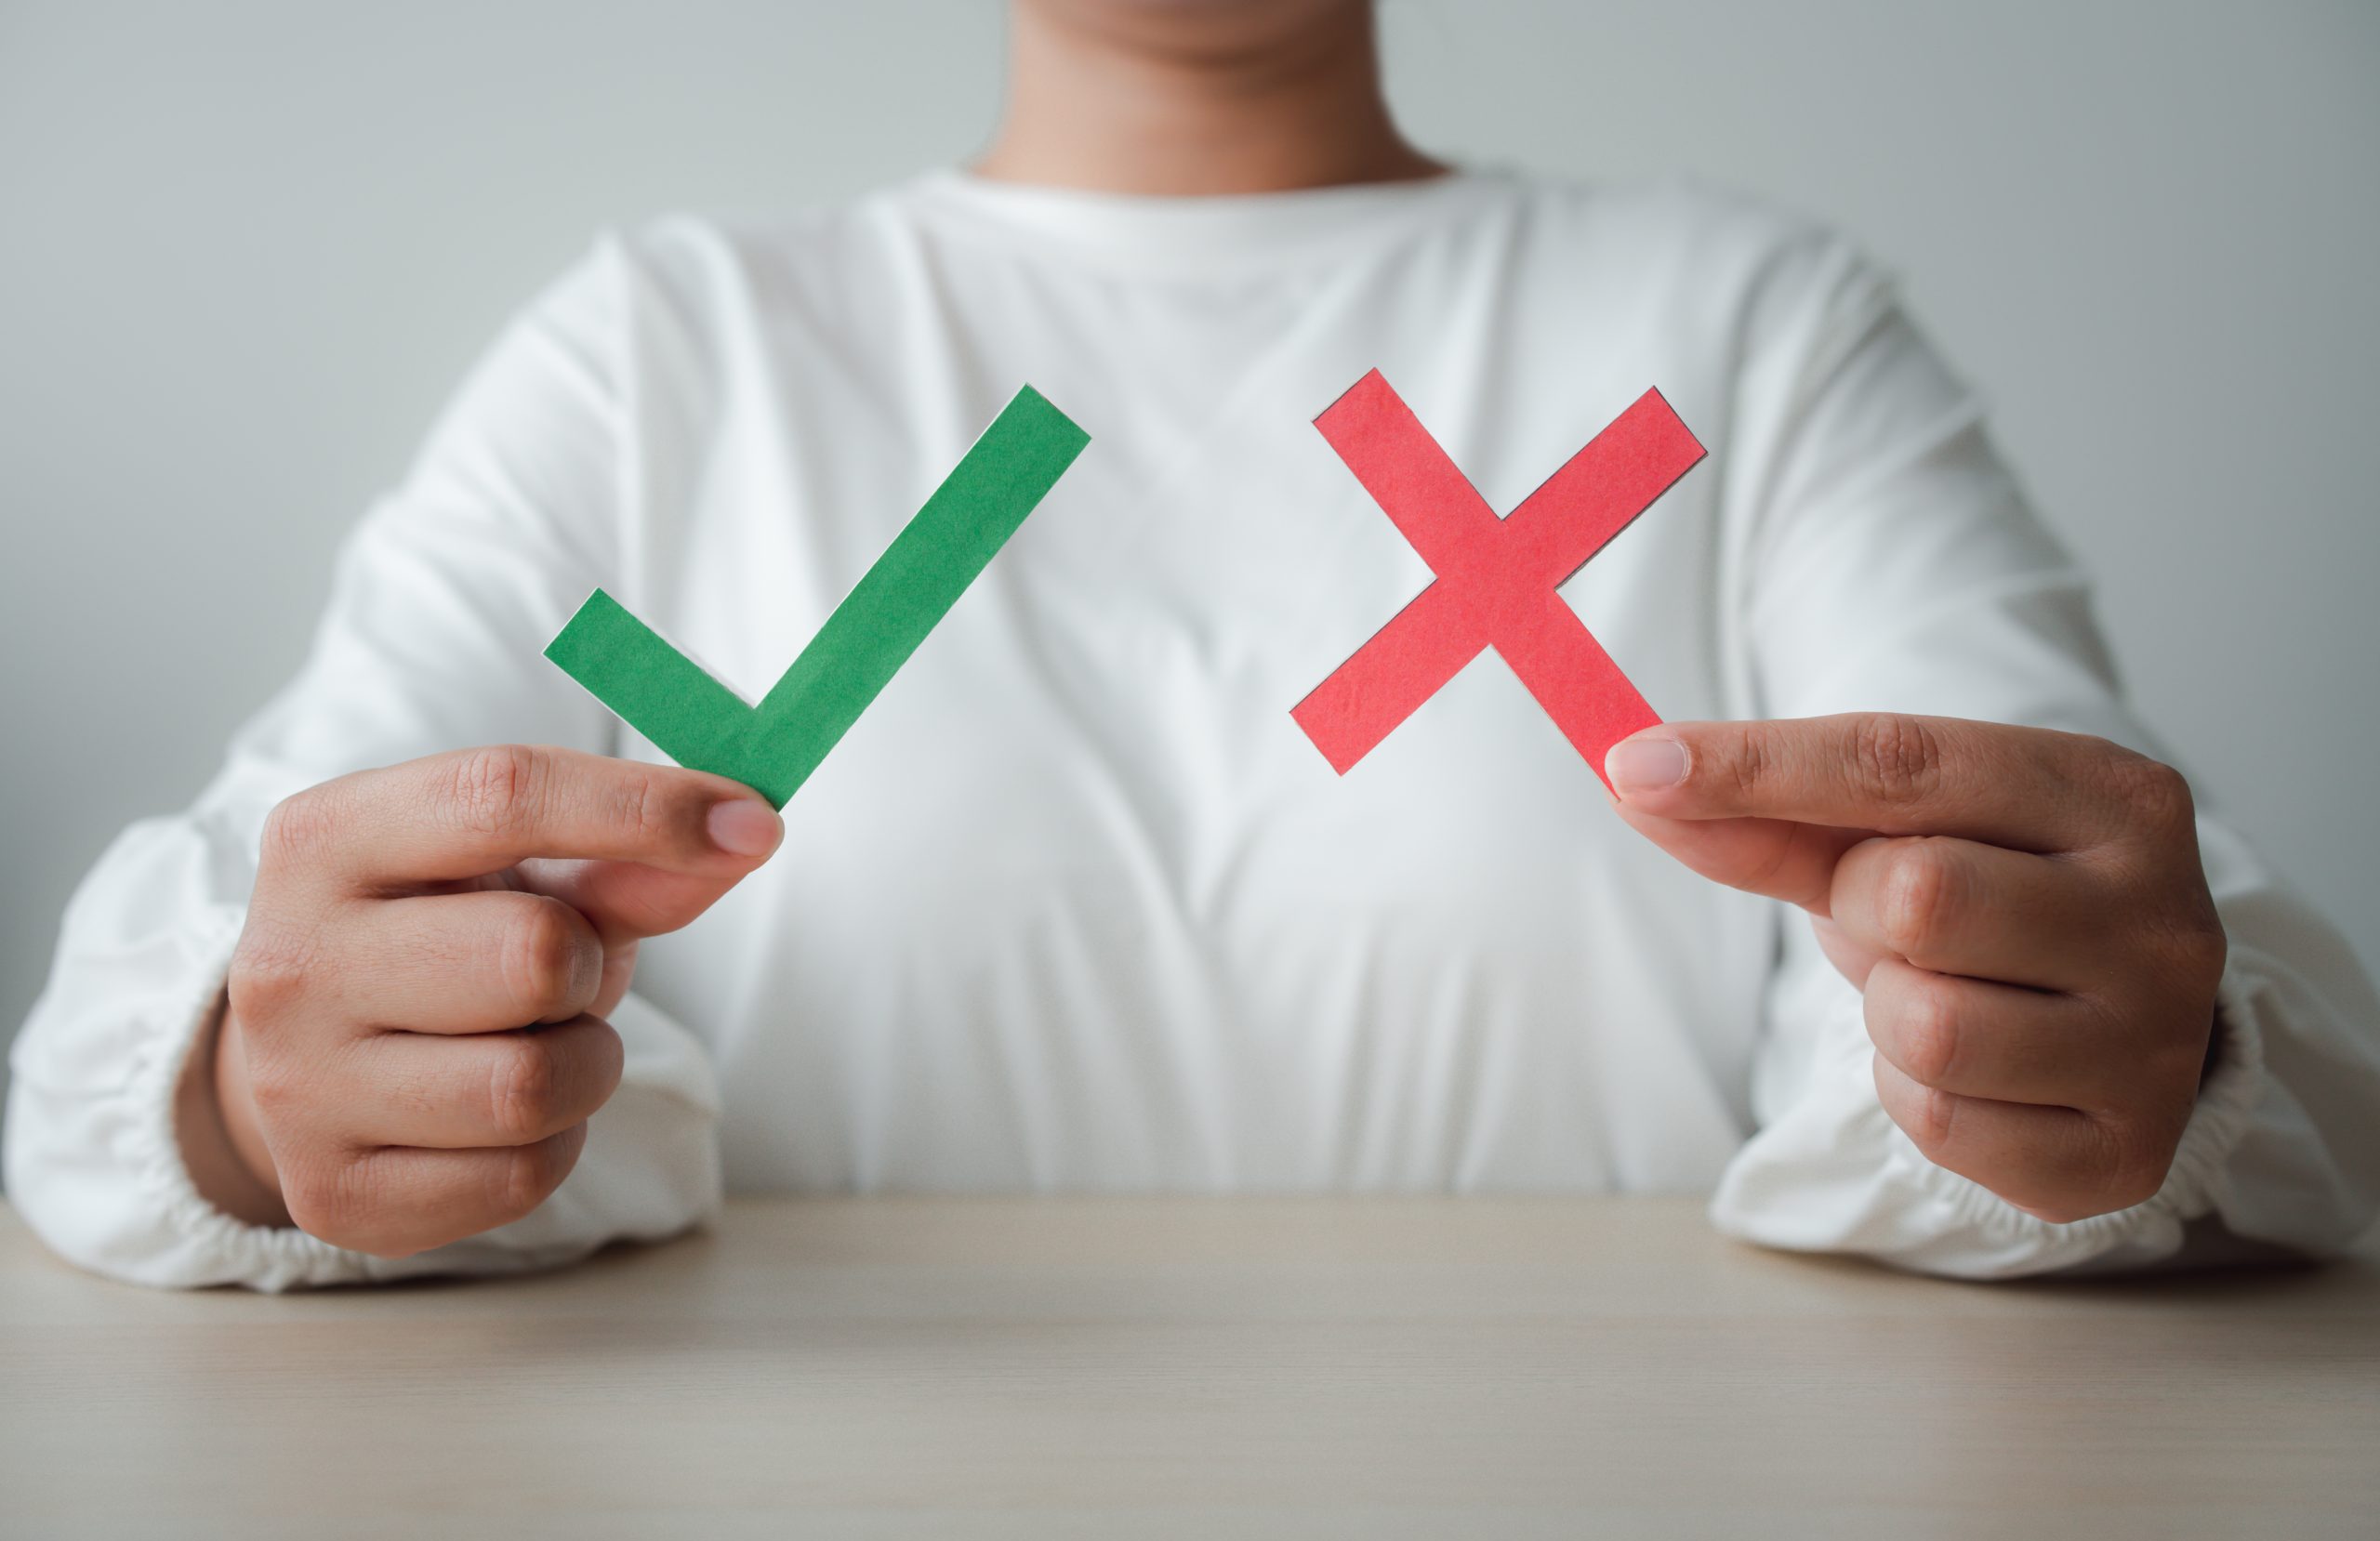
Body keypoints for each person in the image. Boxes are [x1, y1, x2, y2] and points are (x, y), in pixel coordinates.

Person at [9, 0, 2377, 1290]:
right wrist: (247, 1078)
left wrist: (2101, 1051)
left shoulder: (1742, 326)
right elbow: (226, 978)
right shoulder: (668, 348)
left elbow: (2118, 951)